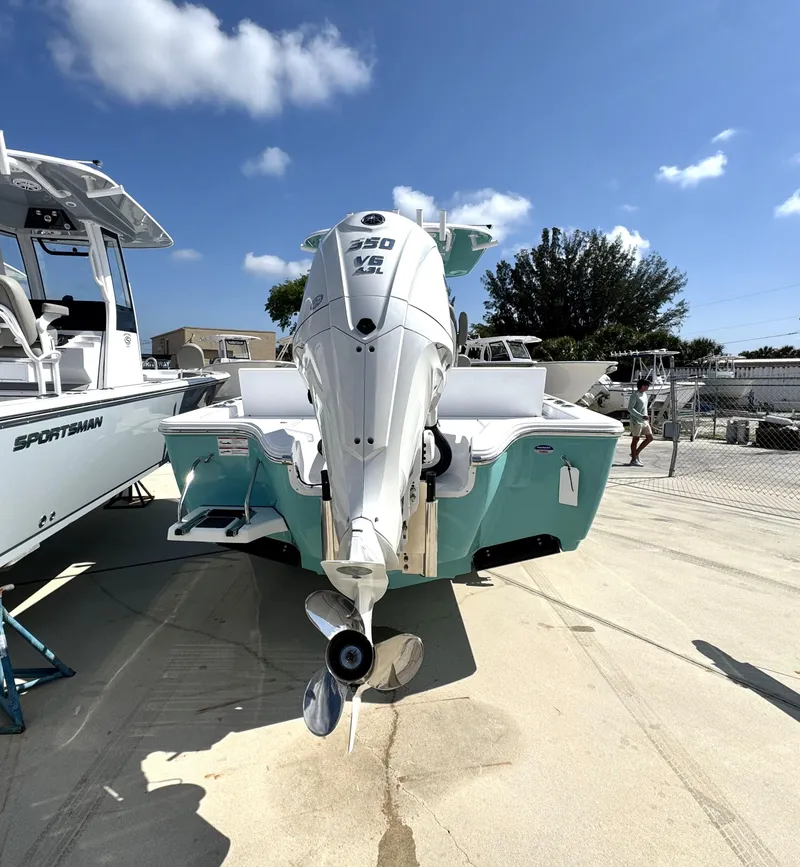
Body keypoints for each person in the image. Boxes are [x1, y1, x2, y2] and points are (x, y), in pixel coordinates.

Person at [627, 378, 653, 467]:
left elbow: (644, 407)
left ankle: (635, 453)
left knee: (650, 438)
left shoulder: (645, 395)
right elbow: (630, 408)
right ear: (642, 386)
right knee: (636, 439)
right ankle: (634, 459)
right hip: (636, 421)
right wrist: (640, 416)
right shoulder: (635, 395)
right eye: (647, 386)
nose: (648, 387)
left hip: (644, 421)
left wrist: (645, 416)